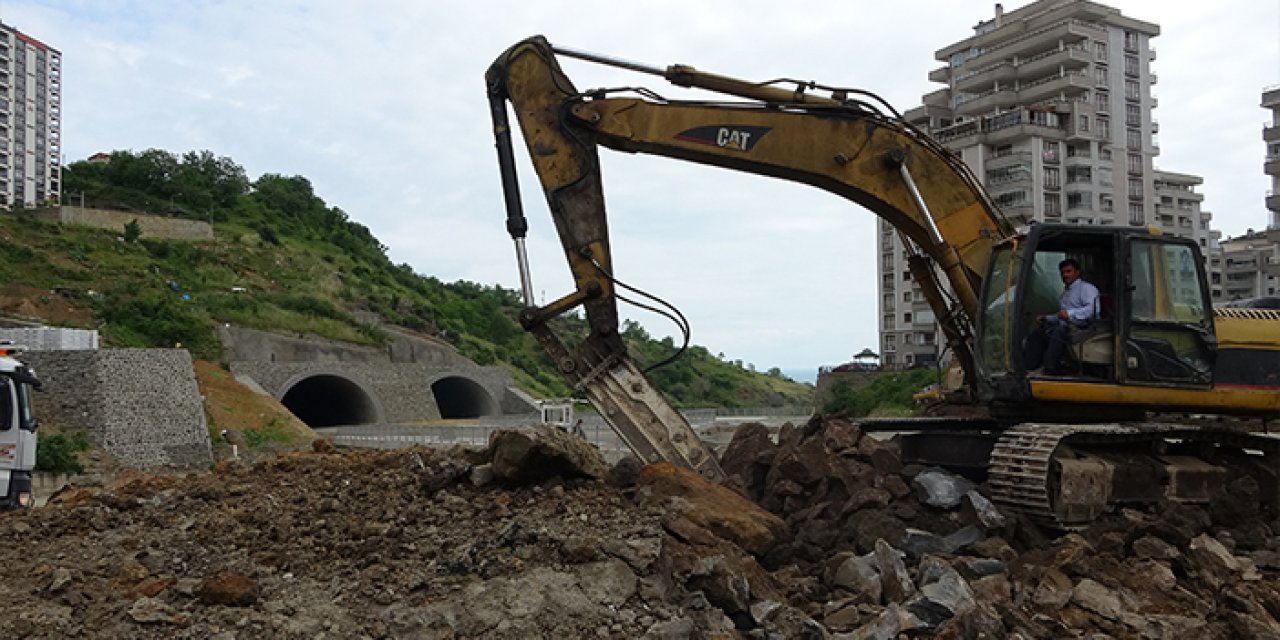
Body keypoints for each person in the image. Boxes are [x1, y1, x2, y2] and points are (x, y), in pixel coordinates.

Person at [1023, 258, 1099, 375]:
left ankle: (1050, 368)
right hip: (1068, 326)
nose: (1065, 275)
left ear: (1077, 272)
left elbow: (1092, 310)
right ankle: (1030, 366)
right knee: (1038, 334)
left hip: (1084, 328)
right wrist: (1046, 318)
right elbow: (1061, 315)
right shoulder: (1067, 292)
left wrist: (1070, 314)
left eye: (1068, 271)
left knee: (1059, 332)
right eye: (1062, 272)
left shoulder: (1087, 289)